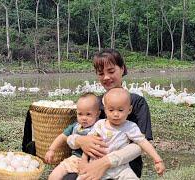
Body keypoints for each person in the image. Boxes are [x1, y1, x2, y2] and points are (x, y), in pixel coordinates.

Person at [64, 49, 156, 179]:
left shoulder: (137, 103)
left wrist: (105, 162)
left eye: (111, 71)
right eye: (101, 73)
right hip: (92, 160)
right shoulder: (95, 103)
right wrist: (81, 141)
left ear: (122, 69)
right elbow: (76, 131)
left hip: (125, 166)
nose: (106, 77)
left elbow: (142, 143)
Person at [79, 88, 165, 179]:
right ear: (105, 110)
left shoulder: (130, 127)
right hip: (96, 166)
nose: (116, 114)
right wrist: (84, 160)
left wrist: (157, 160)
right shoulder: (99, 125)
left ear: (129, 110)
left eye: (120, 110)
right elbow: (89, 144)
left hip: (120, 168)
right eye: (111, 110)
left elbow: (143, 142)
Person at [44, 92, 100, 180]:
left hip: (92, 162)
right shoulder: (75, 126)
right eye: (80, 114)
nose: (84, 118)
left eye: (88, 114)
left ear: (97, 113)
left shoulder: (100, 127)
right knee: (54, 175)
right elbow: (62, 137)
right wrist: (51, 150)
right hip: (74, 158)